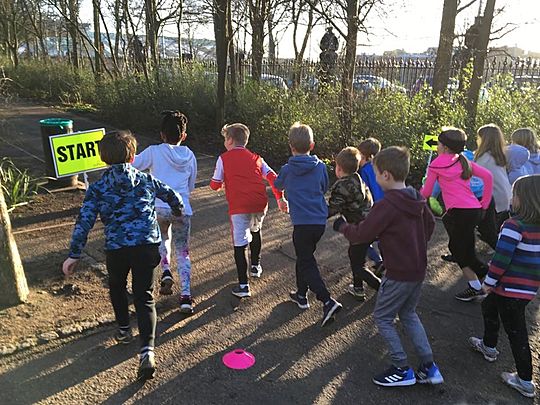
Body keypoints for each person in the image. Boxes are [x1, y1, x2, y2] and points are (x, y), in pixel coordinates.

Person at [62, 130, 184, 380]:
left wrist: (74, 254)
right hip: (147, 246)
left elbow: (84, 222)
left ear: (103, 158)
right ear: (132, 157)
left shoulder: (97, 189)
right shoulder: (146, 179)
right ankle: (147, 351)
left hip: (117, 248)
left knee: (117, 286)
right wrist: (177, 210)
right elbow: (173, 195)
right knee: (144, 295)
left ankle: (124, 330)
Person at [334, 146, 443, 387]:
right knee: (408, 313)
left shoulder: (387, 206)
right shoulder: (417, 197)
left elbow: (362, 234)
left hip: (398, 273)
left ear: (386, 175)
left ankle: (401, 367)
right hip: (417, 270)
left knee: (383, 317)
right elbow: (430, 227)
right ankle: (428, 365)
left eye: (375, 173)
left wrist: (343, 227)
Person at [468, 174, 540, 399]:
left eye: (515, 194)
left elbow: (501, 259)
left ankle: (525, 380)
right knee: (489, 308)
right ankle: (488, 347)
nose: (512, 198)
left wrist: (488, 283)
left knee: (516, 332)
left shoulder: (513, 226)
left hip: (508, 288)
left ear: (524, 199)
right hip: (526, 289)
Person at [274, 122, 342, 327]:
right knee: (304, 258)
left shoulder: (287, 170)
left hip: (302, 223)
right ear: (312, 145)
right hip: (319, 222)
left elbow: (277, 185)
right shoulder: (320, 167)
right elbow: (323, 187)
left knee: (306, 261)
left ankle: (326, 300)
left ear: (290, 146)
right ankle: (301, 295)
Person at [210, 123, 286, 298]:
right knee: (256, 230)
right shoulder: (257, 158)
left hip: (239, 206)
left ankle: (243, 286)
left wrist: (219, 184)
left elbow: (214, 185)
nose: (224, 143)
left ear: (229, 140)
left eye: (224, 139)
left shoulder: (224, 158)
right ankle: (255, 266)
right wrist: (280, 198)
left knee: (240, 242)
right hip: (260, 203)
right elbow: (273, 178)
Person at [132, 110, 197, 313]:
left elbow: (132, 164)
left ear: (162, 134)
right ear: (183, 136)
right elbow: (191, 185)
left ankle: (166, 271)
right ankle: (185, 297)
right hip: (181, 208)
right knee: (183, 251)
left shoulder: (153, 151)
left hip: (158, 208)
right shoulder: (189, 155)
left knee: (162, 240)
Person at [421, 127, 493, 302]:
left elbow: (427, 192)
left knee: (462, 250)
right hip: (472, 210)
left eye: (438, 143)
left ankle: (489, 277)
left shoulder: (437, 164)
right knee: (460, 248)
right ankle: (476, 285)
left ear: (444, 147)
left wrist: (411, 196)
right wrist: (484, 203)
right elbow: (488, 177)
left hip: (461, 213)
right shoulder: (462, 161)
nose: (436, 146)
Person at [327, 146, 379, 301]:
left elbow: (332, 209)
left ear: (339, 168)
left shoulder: (342, 186)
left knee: (357, 264)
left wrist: (316, 212)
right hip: (371, 224)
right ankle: (358, 288)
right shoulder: (358, 178)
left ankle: (381, 287)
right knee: (357, 257)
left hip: (359, 229)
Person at [475, 124, 512, 232]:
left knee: (488, 232)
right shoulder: (498, 156)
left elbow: (476, 179)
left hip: (495, 199)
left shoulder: (484, 158)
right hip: (505, 196)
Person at [358, 137, 384, 274]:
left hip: (373, 209)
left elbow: (365, 191)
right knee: (383, 237)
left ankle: (377, 260)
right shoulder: (381, 168)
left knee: (363, 238)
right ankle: (386, 261)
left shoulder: (365, 171)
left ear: (367, 157)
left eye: (360, 156)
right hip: (386, 207)